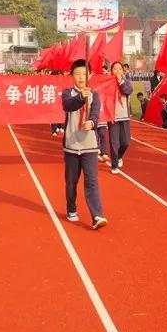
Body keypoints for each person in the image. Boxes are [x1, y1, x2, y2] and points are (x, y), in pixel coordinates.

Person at [62, 59, 108, 230]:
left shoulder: (94, 95)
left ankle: (97, 215)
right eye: (77, 74)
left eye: (84, 74)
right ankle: (71, 208)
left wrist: (92, 123)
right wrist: (81, 97)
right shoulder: (67, 93)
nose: (81, 77)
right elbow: (69, 105)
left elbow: (95, 114)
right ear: (72, 76)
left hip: (90, 145)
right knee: (71, 182)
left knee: (92, 181)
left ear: (90, 75)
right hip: (71, 145)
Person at [107, 61, 133, 174]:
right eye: (115, 69)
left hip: (124, 116)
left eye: (119, 69)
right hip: (112, 116)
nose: (117, 71)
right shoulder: (107, 83)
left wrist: (120, 81)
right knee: (114, 143)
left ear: (122, 71)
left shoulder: (126, 81)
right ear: (111, 71)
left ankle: (119, 156)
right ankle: (114, 165)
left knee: (125, 142)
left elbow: (128, 91)